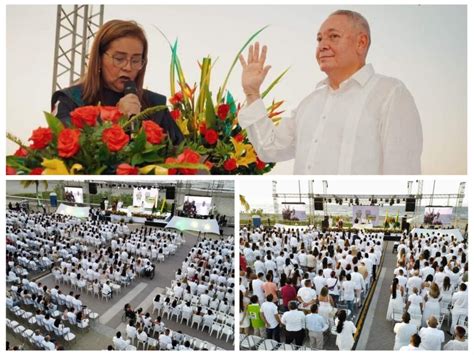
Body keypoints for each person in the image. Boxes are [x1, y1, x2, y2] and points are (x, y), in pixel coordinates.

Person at [238, 10, 423, 174]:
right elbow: (269, 148)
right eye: (319, 39)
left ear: (361, 42)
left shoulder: (390, 94)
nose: (323, 45)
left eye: (333, 36)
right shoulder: (309, 104)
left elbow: (402, 172)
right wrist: (252, 93)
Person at [51, 19, 183, 145]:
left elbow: (182, 154)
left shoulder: (155, 105)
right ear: (99, 59)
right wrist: (116, 119)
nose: (128, 67)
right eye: (119, 58)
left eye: (136, 60)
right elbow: (61, 147)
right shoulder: (70, 99)